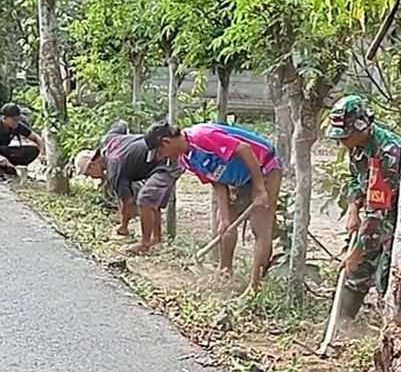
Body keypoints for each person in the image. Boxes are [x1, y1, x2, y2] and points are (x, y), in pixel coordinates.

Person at [144, 121, 279, 295]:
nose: (161, 157)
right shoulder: (186, 160)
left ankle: (254, 288)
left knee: (260, 228)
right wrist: (224, 218)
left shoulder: (202, 136)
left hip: (264, 167)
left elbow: (244, 149)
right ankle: (225, 273)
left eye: (160, 152)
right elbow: (217, 181)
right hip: (237, 178)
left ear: (166, 142)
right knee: (223, 225)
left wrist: (260, 189)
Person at [323, 95, 401, 324]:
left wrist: (356, 252)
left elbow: (378, 213)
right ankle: (342, 323)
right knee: (356, 271)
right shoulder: (357, 147)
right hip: (372, 214)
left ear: (362, 126)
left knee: (386, 274)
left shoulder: (388, 152)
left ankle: (391, 328)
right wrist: (353, 209)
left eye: (345, 136)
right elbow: (356, 179)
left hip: (394, 220)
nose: (342, 141)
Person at [75, 121, 180, 253]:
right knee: (153, 202)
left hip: (167, 158)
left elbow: (128, 201)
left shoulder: (114, 171)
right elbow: (121, 124)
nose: (92, 177)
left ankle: (145, 243)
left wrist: (123, 226)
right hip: (165, 155)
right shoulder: (109, 140)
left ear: (92, 165)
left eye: (89, 174)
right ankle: (156, 239)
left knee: (145, 201)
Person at [0, 103, 45, 181]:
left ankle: (12, 168)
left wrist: (42, 153)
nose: (17, 122)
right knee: (1, 150)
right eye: (14, 120)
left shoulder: (17, 126)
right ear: (4, 118)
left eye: (18, 119)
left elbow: (36, 138)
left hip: (4, 152)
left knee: (33, 150)